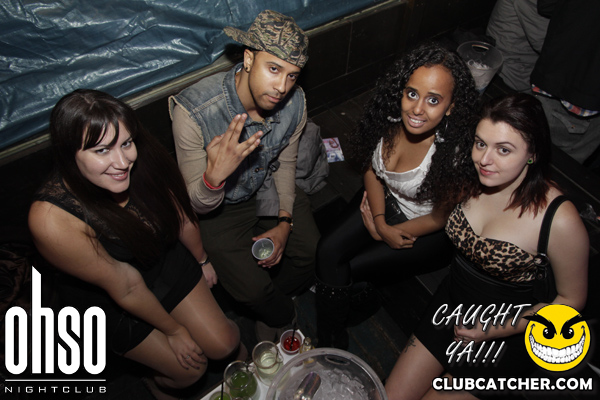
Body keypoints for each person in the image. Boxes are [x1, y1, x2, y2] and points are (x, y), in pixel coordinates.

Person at [29, 90, 243, 399]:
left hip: (159, 262)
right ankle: (155, 384)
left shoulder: (140, 157)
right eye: (102, 150)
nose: (122, 162)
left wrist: (201, 259)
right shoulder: (51, 218)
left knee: (224, 344)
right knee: (189, 371)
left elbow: (179, 214)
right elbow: (127, 286)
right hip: (111, 301)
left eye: (126, 143)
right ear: (68, 153)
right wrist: (174, 331)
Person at [385, 93, 589, 400]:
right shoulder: (471, 178)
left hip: (508, 334)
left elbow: (572, 300)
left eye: (503, 149)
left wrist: (496, 328)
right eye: (480, 143)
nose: (484, 159)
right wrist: (383, 224)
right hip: (450, 307)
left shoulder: (559, 219)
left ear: (532, 153)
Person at [315, 42, 480, 349]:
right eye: (412, 93)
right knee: (326, 251)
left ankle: (363, 304)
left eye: (433, 100)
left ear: (451, 106)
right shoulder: (389, 118)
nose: (417, 109)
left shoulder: (455, 154)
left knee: (349, 268)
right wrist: (379, 222)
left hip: (427, 229)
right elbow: (371, 170)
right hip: (384, 198)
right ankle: (331, 341)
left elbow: (440, 217)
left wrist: (390, 232)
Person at [169, 10, 319, 342]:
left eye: (292, 75)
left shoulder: (295, 103)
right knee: (251, 290)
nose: (282, 87)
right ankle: (279, 313)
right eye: (274, 69)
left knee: (311, 252)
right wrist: (214, 177)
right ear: (249, 59)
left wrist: (284, 221)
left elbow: (286, 163)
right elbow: (195, 204)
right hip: (219, 207)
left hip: (267, 184)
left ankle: (273, 303)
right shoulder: (193, 113)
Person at [529, 0, 600, 164]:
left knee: (528, 154)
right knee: (555, 166)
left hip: (553, 77)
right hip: (583, 96)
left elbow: (546, 5)